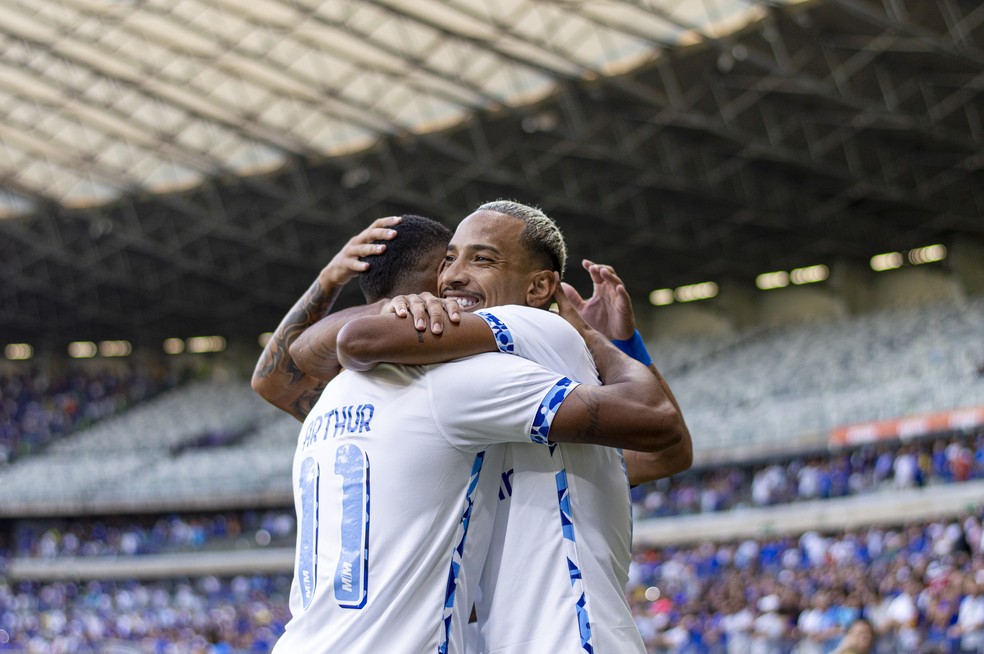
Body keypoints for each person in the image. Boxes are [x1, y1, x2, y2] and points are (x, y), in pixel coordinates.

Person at [255, 214, 685, 652]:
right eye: (446, 263)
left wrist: (329, 281)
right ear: (422, 295)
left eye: (477, 260)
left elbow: (277, 378)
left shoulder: (330, 402)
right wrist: (602, 342)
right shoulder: (454, 388)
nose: (453, 280)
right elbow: (659, 428)